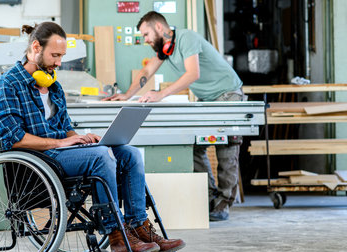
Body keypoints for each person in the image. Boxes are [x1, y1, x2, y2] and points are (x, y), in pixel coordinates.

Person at [0, 21, 184, 252]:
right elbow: (13, 139)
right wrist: (59, 143)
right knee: (100, 157)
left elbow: (64, 127)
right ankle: (116, 235)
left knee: (128, 153)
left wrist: (80, 138)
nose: (59, 63)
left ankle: (139, 227)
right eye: (55, 55)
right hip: (38, 160)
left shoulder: (53, 86)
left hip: (61, 154)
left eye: (62, 56)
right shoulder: (6, 86)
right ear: (36, 47)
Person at [103, 11, 244, 222]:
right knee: (195, 148)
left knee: (226, 149)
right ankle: (209, 197)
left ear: (159, 27)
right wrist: (126, 95)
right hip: (208, 100)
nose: (146, 40)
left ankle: (223, 205)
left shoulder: (187, 38)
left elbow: (192, 73)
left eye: (146, 34)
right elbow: (147, 70)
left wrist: (160, 94)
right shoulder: (165, 49)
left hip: (228, 95)